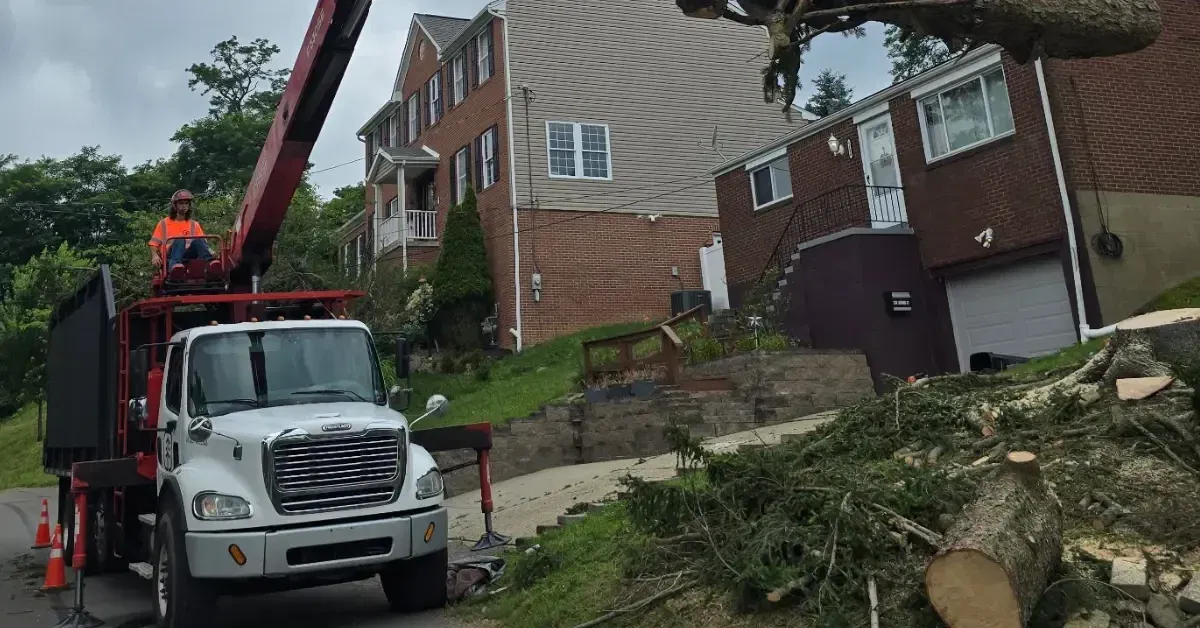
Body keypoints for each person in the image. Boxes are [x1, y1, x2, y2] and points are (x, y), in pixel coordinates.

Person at [149, 190, 213, 271]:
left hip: (189, 254)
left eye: (186, 203)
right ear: (174, 205)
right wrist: (155, 256)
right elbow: (153, 243)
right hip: (170, 255)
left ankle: (210, 264)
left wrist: (211, 251)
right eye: (181, 203)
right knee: (180, 240)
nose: (184, 206)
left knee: (199, 239)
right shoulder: (164, 223)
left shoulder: (194, 224)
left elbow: (203, 243)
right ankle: (175, 266)